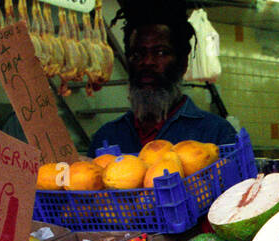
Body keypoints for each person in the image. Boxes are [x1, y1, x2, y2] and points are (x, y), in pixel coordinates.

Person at [89, 8, 237, 156]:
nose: (147, 62)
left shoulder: (216, 135)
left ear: (183, 63)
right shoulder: (106, 138)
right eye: (137, 53)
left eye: (160, 52)